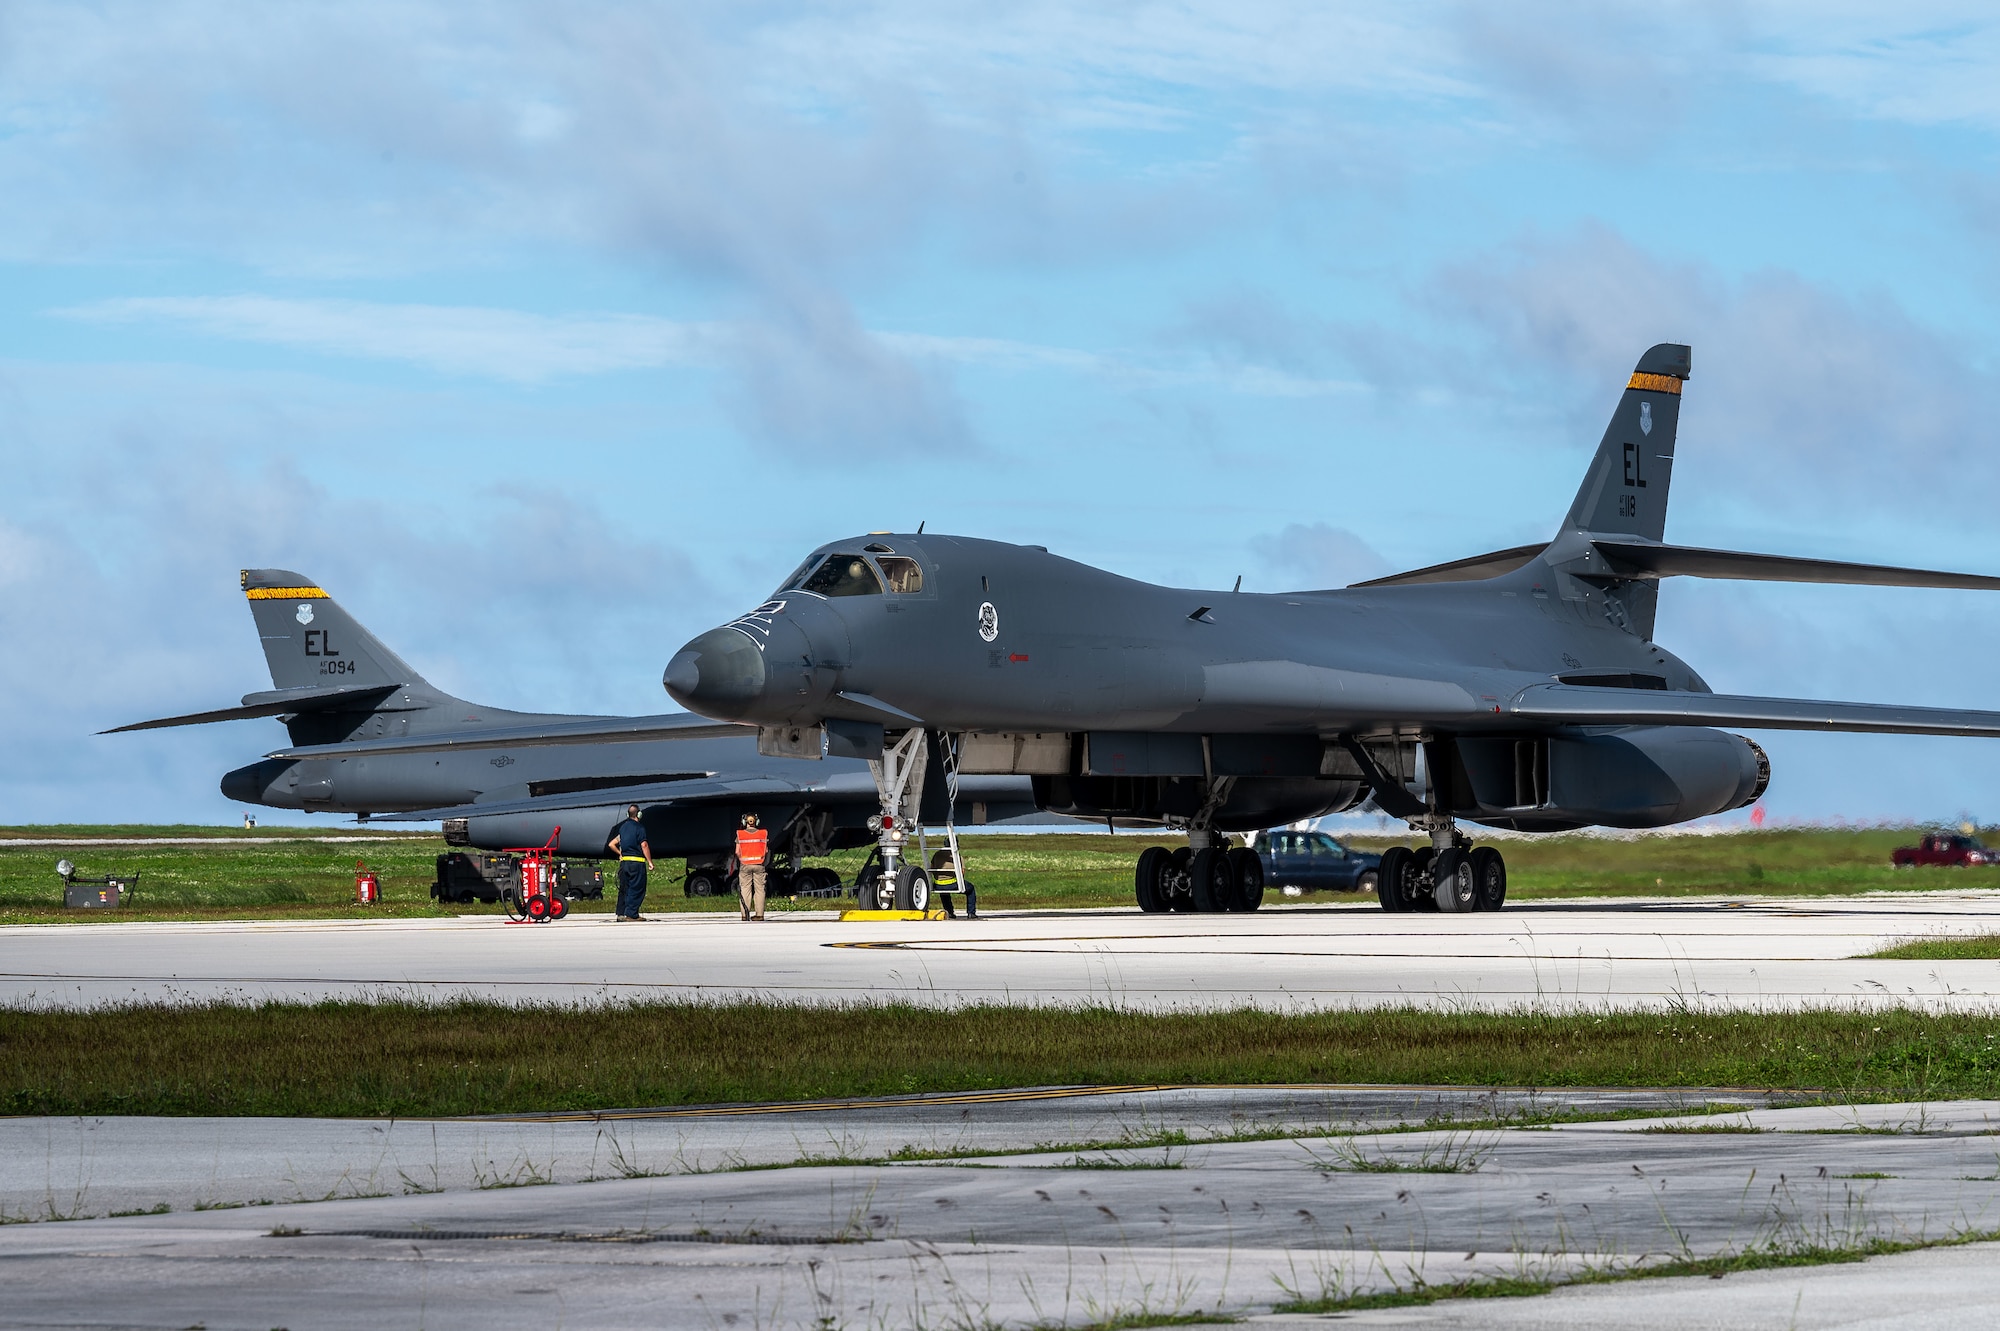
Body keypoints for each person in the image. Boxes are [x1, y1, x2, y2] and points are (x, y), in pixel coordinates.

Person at [606, 805, 653, 921]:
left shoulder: (622, 828)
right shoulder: (639, 828)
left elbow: (611, 844)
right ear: (639, 815)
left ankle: (621, 913)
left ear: (628, 815)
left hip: (624, 863)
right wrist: (650, 862)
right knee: (636, 888)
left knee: (624, 888)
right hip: (636, 863)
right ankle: (631, 914)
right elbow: (644, 845)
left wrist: (620, 854)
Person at [735, 812, 768, 921]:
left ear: (745, 822)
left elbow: (737, 852)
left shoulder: (740, 834)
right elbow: (766, 850)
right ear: (756, 822)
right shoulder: (763, 834)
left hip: (745, 865)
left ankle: (745, 915)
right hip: (759, 864)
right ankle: (759, 915)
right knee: (760, 890)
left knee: (745, 889)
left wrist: (742, 859)